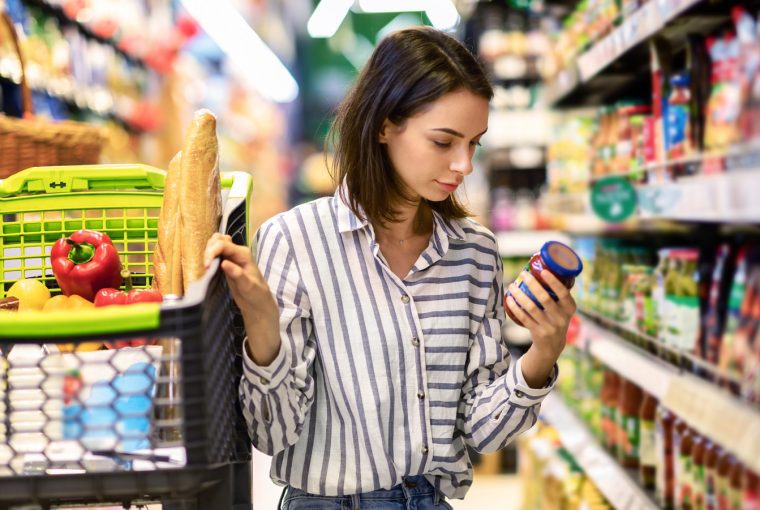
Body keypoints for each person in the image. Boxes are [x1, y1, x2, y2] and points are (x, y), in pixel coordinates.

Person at [204, 26, 576, 510]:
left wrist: (543, 352)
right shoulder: (294, 241)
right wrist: (262, 326)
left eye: (474, 144)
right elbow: (272, 433)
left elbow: (483, 432)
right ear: (384, 125)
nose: (463, 165)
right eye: (444, 142)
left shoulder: (476, 252)